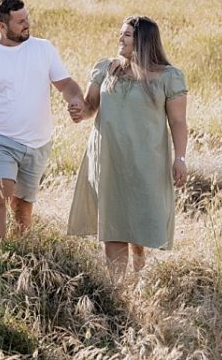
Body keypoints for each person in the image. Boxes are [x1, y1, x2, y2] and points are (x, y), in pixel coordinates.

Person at [67, 15, 188, 276]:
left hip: (147, 158)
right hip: (108, 156)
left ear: (144, 40)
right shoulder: (106, 68)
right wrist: (79, 111)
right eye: (120, 33)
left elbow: (178, 121)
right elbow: (90, 106)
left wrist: (180, 158)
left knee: (141, 220)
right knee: (113, 222)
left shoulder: (169, 76)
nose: (120, 38)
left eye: (127, 35)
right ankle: (118, 289)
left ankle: (140, 268)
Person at [0, 0, 84, 239]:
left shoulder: (43, 48)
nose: (26, 24)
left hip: (38, 144)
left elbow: (66, 84)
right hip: (2, 142)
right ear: (2, 26)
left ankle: (20, 257)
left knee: (22, 208)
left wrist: (76, 100)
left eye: (27, 18)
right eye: (20, 21)